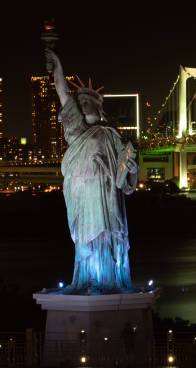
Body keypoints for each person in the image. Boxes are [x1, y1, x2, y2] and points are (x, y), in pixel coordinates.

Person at [45, 49, 138, 294]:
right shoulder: (76, 128)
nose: (83, 103)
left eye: (88, 101)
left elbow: (125, 175)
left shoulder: (110, 134)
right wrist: (58, 66)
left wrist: (131, 168)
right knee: (85, 236)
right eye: (81, 101)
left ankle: (107, 279)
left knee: (105, 234)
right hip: (81, 194)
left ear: (98, 106)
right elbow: (62, 93)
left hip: (105, 194)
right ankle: (86, 278)